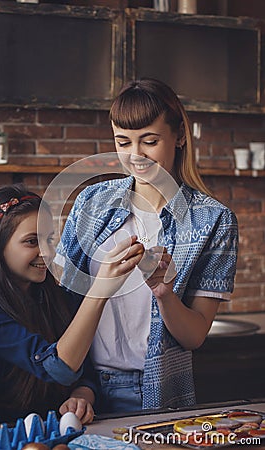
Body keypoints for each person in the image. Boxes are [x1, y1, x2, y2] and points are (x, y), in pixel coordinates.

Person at [56, 78, 238, 414]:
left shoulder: (214, 221)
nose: (135, 155)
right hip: (84, 391)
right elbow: (60, 304)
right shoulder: (90, 203)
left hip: (158, 391)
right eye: (123, 142)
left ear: (180, 136)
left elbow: (194, 336)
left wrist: (164, 291)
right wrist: (79, 385)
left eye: (149, 141)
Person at [0, 184, 144, 425]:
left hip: (59, 430)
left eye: (50, 240)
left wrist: (82, 395)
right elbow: (59, 367)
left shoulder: (58, 298)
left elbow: (84, 370)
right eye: (31, 241)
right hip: (1, 434)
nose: (47, 252)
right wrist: (100, 290)